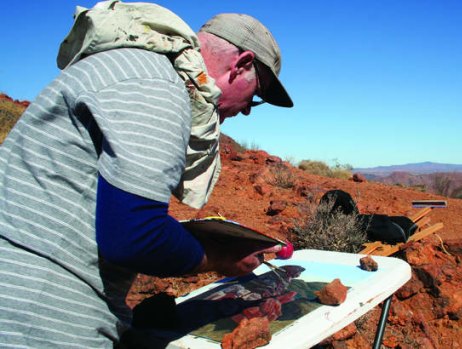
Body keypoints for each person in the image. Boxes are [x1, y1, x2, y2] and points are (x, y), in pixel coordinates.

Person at [0, 1, 293, 348]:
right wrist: (221, 257)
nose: (246, 112)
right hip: (40, 316)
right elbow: (135, 235)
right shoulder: (159, 86)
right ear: (241, 64)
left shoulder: (129, 67)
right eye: (254, 97)